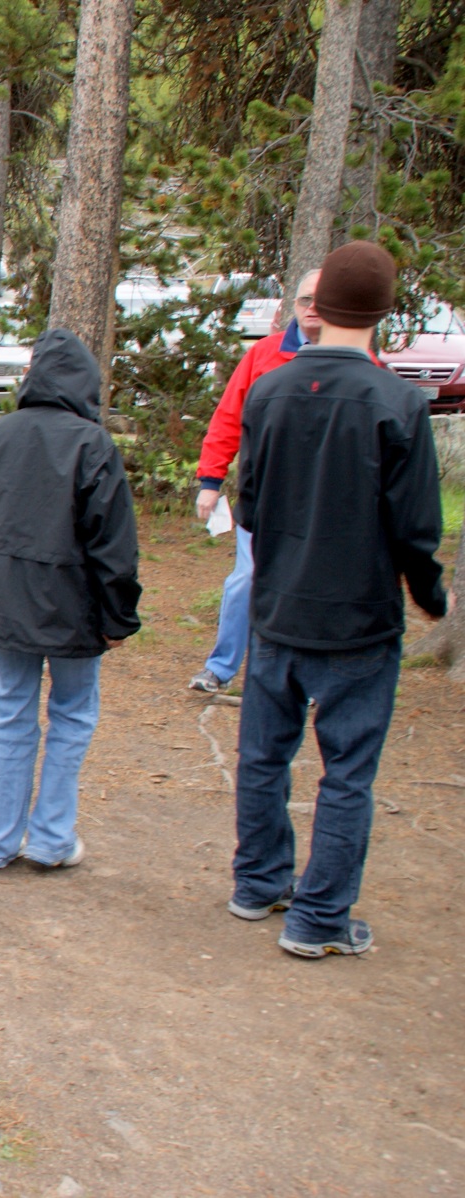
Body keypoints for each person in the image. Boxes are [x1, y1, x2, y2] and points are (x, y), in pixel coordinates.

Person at [231, 240, 446, 959]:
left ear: (318, 309)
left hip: (279, 609)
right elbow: (416, 526)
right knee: (346, 773)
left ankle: (259, 882)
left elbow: (250, 504)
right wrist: (430, 594)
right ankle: (316, 917)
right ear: (384, 311)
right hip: (358, 620)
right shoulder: (397, 403)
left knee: (264, 756)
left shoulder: (270, 390)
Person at [0, 329, 143, 871]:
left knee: (10, 712)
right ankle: (49, 839)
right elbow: (114, 545)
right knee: (72, 714)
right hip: (72, 607)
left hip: (3, 599)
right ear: (86, 383)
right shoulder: (92, 444)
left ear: (33, 378)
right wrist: (118, 618)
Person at [187, 269, 324, 694]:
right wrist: (211, 480)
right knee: (246, 581)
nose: (313, 309)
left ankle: (309, 679)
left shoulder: (355, 359)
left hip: (324, 501)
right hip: (263, 498)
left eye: (322, 300)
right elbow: (228, 418)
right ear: (292, 306)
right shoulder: (264, 355)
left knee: (313, 586)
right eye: (305, 300)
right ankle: (220, 668)